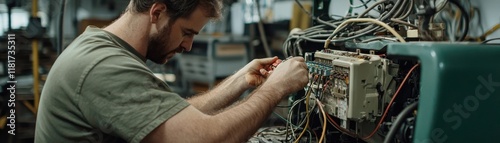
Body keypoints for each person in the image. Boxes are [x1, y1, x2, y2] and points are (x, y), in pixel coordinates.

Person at [34, 0, 309, 142]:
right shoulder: (105, 66)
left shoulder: (102, 48)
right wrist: (275, 89)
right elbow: (205, 139)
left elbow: (173, 118)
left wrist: (240, 80)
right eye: (186, 32)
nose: (188, 46)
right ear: (157, 12)